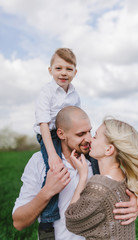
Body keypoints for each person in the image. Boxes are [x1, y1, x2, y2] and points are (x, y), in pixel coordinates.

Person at [13, 107, 138, 240]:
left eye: (90, 132)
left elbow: (134, 182)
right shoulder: (40, 162)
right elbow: (18, 223)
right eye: (81, 134)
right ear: (61, 134)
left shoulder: (99, 159)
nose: (89, 139)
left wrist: (137, 206)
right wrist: (48, 191)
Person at [65, 117, 138, 240]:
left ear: (109, 149)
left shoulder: (99, 185)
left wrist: (83, 176)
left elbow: (71, 222)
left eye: (95, 136)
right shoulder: (124, 179)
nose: (89, 139)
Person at [33, 48, 80, 230]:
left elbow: (77, 118)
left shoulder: (74, 93)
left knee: (90, 156)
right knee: (54, 170)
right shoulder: (46, 92)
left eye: (69, 69)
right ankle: (47, 220)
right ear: (50, 70)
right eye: (58, 68)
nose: (63, 73)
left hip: (67, 132)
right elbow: (43, 123)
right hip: (49, 133)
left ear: (75, 72)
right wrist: (53, 155)